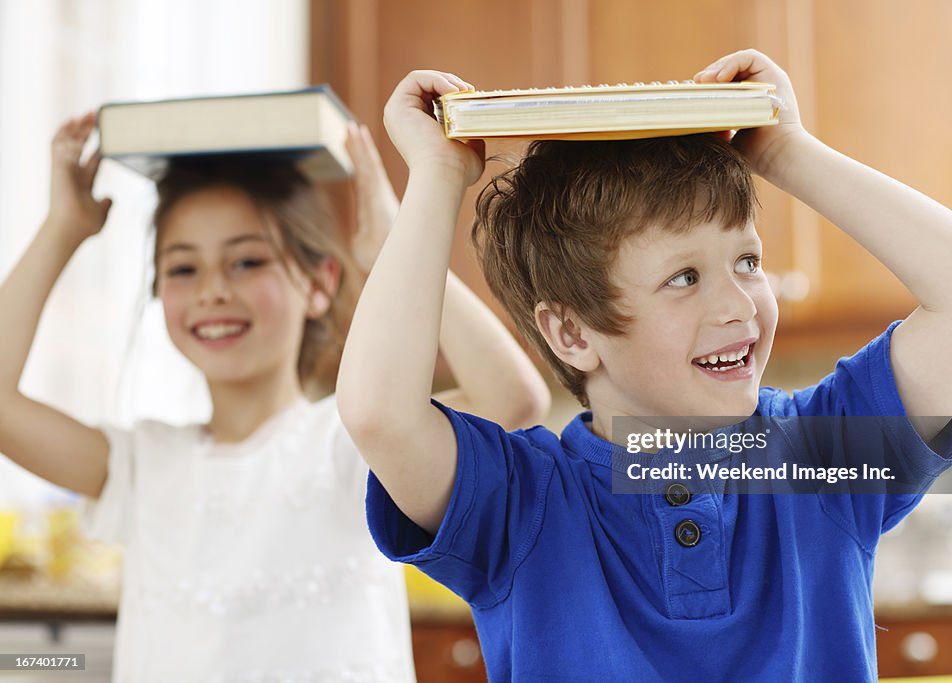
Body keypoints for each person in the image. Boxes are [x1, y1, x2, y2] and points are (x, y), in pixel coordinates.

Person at [337, 51, 952, 680]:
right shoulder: (522, 503)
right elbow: (379, 413)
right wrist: (437, 176)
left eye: (747, 261)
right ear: (572, 332)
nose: (740, 303)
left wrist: (788, 151)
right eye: (684, 277)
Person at [0, 112, 550, 681]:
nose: (213, 290)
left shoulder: (354, 442)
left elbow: (512, 399)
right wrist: (62, 226)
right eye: (183, 267)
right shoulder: (143, 466)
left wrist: (395, 244)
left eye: (247, 261)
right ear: (160, 293)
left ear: (319, 284)